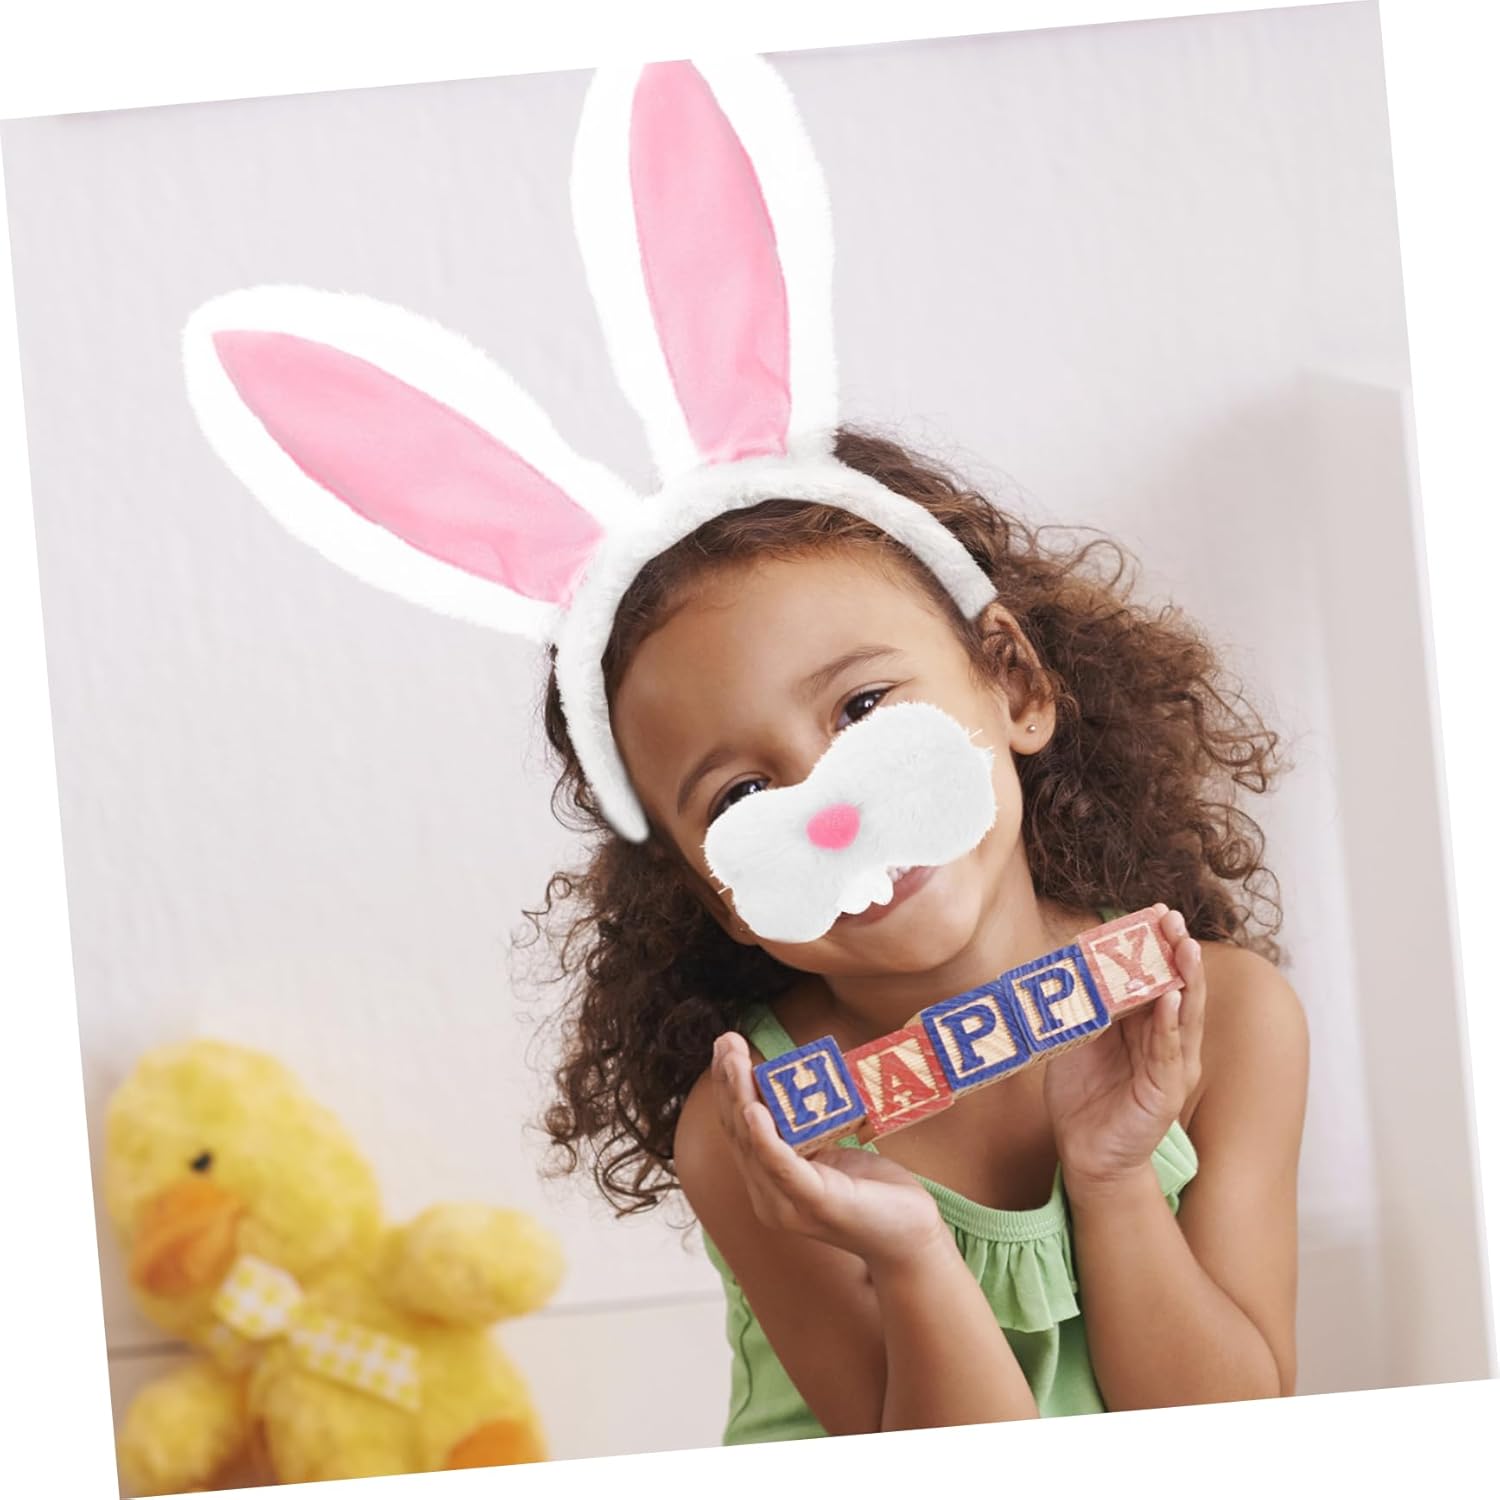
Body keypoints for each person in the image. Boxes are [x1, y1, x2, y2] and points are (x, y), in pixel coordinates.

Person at [535, 425, 1309, 1439]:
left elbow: (1236, 1437)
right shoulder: (753, 1127)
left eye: (862, 707)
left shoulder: (1229, 1016)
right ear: (722, 893)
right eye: (743, 796)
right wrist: (910, 1254)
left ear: (1015, 683)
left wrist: (1116, 1179)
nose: (835, 814)